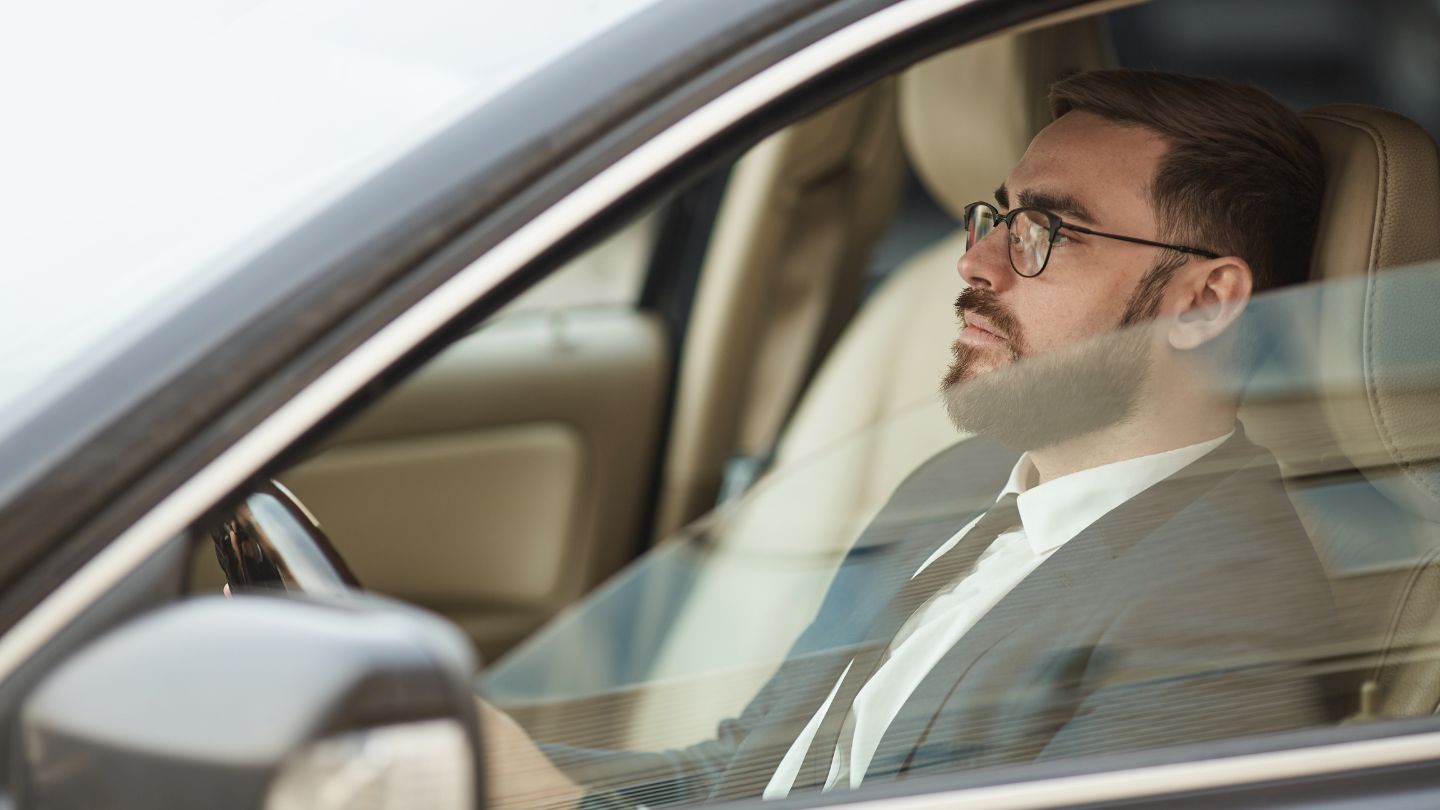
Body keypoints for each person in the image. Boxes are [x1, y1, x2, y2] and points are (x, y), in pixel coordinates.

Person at [482, 68, 1334, 808]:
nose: (977, 262)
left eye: (1048, 232)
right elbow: (750, 769)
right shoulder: (956, 483)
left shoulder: (1222, 607)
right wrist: (488, 766)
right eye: (997, 217)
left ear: (1206, 303)